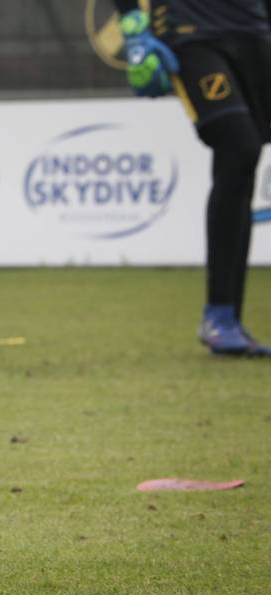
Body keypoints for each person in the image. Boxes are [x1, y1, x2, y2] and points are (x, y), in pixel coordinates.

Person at [115, 0, 271, 356]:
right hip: (190, 34)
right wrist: (132, 25)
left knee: (242, 163)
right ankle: (218, 317)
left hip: (254, 31)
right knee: (239, 146)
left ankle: (227, 318)